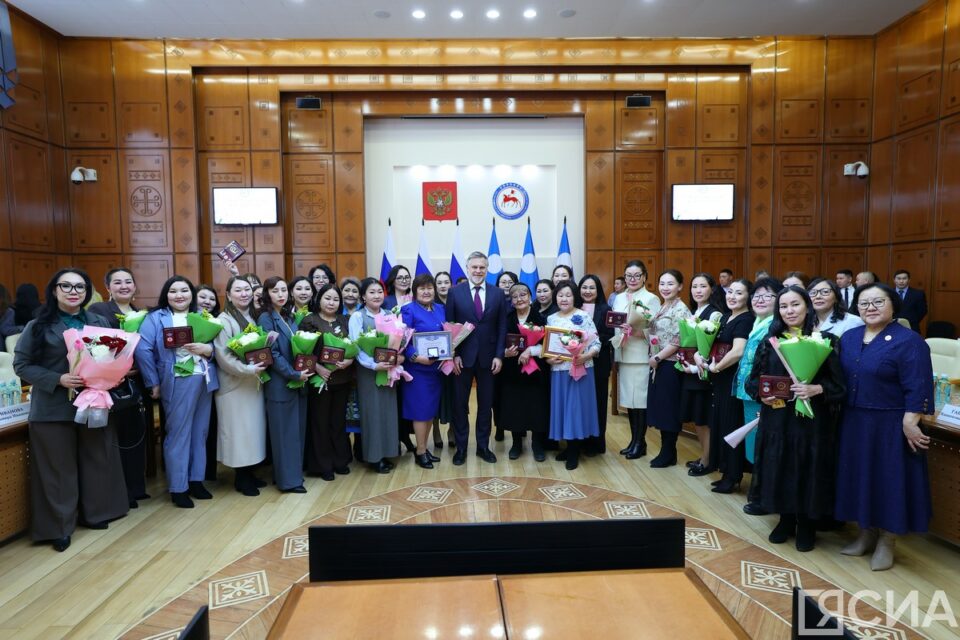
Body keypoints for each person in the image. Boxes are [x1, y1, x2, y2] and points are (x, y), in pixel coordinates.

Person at [13, 269, 128, 551]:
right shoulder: (37, 325)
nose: (73, 291)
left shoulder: (99, 322)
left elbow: (111, 359)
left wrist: (112, 374)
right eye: (66, 286)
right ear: (54, 291)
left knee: (96, 459)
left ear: (87, 292)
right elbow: (22, 365)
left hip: (93, 403)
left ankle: (96, 513)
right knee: (57, 470)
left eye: (79, 287)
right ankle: (59, 527)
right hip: (53, 407)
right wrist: (57, 379)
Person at [835, 284, 934, 571]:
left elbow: (919, 384)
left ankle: (888, 541)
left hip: (890, 424)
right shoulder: (850, 337)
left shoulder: (909, 341)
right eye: (864, 303)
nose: (870, 307)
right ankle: (865, 533)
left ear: (892, 306)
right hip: (854, 421)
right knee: (860, 478)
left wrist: (911, 421)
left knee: (889, 481)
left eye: (878, 301)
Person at [746, 285, 846, 552]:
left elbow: (840, 387)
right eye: (783, 306)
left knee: (808, 468)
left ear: (807, 307)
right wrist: (762, 394)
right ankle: (786, 519)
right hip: (778, 418)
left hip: (812, 423)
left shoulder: (826, 340)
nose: (789, 311)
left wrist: (817, 389)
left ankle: (807, 524)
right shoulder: (770, 343)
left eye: (795, 304)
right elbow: (752, 381)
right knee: (780, 466)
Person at [136, 275, 220, 509]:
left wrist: (208, 349)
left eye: (184, 290)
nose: (179, 295)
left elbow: (219, 347)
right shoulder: (156, 318)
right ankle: (178, 487)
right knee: (178, 434)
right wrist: (153, 382)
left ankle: (196, 481)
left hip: (204, 379)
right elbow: (143, 350)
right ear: (166, 295)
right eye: (173, 291)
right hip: (177, 380)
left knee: (200, 432)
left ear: (192, 294)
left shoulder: (202, 316)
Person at [87, 268, 152, 508]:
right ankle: (122, 492)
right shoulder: (99, 311)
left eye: (128, 282)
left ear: (134, 286)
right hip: (111, 384)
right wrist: (118, 369)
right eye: (117, 282)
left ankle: (137, 487)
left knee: (137, 434)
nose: (124, 286)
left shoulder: (141, 313)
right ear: (108, 288)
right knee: (118, 437)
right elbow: (95, 345)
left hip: (138, 382)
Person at [445, 251, 508, 465]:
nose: (478, 271)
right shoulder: (455, 293)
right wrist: (453, 355)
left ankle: (483, 447)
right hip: (462, 359)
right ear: (467, 268)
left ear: (487, 268)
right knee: (459, 404)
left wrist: (499, 355)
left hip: (489, 359)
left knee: (485, 405)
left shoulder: (498, 293)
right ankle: (461, 448)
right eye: (474, 267)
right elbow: (449, 326)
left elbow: (502, 326)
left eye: (482, 267)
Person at [213, 276, 269, 496]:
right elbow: (223, 356)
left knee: (252, 431)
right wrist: (247, 369)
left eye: (247, 289)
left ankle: (250, 472)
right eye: (238, 290)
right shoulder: (223, 320)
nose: (244, 294)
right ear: (228, 295)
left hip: (253, 383)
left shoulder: (254, 316)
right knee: (237, 432)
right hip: (234, 385)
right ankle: (241, 477)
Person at [734, 276, 783, 517]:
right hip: (750, 391)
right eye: (757, 295)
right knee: (754, 444)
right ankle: (759, 491)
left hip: (764, 395)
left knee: (763, 445)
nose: (760, 300)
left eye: (767, 296)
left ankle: (764, 496)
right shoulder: (758, 322)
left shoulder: (775, 326)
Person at [258, 277, 311, 492]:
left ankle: (291, 475)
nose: (280, 295)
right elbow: (272, 353)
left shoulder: (289, 316)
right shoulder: (265, 318)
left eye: (283, 290)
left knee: (296, 432)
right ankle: (288, 482)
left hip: (299, 381)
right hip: (281, 383)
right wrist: (293, 373)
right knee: (284, 434)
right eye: (275, 291)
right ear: (267, 294)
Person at [700, 279, 753, 493]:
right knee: (721, 425)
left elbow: (738, 351)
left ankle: (733, 476)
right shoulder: (725, 317)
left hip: (732, 380)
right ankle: (726, 471)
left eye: (738, 293)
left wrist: (717, 367)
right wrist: (701, 357)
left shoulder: (746, 320)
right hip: (719, 380)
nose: (732, 296)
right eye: (730, 292)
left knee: (732, 426)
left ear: (748, 297)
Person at [300, 283, 355, 481]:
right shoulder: (310, 321)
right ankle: (323, 465)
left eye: (335, 299)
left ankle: (340, 461)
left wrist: (349, 361)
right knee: (320, 423)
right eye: (327, 298)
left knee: (338, 422)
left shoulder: (345, 320)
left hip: (342, 379)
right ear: (319, 299)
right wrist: (317, 368)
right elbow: (301, 351)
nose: (331, 303)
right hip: (320, 380)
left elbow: (354, 346)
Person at [545, 280, 601, 470]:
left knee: (575, 409)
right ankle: (568, 447)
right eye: (560, 295)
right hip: (559, 371)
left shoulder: (583, 316)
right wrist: (549, 359)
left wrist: (585, 356)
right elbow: (548, 347)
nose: (564, 299)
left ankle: (574, 451)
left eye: (568, 295)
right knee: (563, 409)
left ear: (574, 297)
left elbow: (596, 343)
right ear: (555, 297)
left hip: (580, 370)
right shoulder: (551, 319)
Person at [348, 277, 400, 473]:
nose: (377, 295)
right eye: (372, 292)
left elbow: (398, 340)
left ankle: (388, 452)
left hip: (388, 369)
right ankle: (374, 457)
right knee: (372, 413)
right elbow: (356, 347)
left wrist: (394, 358)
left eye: (379, 292)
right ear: (363, 296)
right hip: (368, 372)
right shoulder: (358, 317)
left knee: (388, 411)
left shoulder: (390, 315)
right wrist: (373, 364)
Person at [612, 260, 661, 459]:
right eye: (628, 275)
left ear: (644, 277)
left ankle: (640, 443)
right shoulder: (618, 298)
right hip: (623, 353)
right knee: (629, 402)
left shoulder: (651, 299)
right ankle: (634, 441)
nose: (632, 279)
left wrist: (636, 332)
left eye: (637, 275)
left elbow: (657, 330)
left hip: (641, 356)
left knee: (640, 401)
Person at [498, 283, 550, 460]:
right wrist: (504, 353)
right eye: (515, 296)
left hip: (536, 371)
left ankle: (537, 444)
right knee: (515, 406)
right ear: (511, 301)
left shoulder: (541, 318)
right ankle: (516, 444)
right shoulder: (506, 318)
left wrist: (531, 351)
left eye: (523, 295)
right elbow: (498, 341)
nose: (519, 299)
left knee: (537, 406)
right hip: (512, 371)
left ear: (530, 297)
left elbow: (547, 345)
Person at [645, 269, 691, 468]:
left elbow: (678, 340)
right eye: (662, 283)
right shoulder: (663, 306)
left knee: (669, 409)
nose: (665, 287)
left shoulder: (681, 309)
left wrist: (657, 357)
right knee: (662, 408)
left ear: (680, 286)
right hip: (659, 363)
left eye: (670, 283)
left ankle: (668, 451)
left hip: (670, 364)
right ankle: (668, 451)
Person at [401, 274, 447, 469]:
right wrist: (417, 357)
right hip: (417, 370)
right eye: (422, 288)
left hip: (436, 370)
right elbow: (402, 341)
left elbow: (446, 334)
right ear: (415, 291)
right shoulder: (408, 310)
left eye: (429, 288)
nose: (426, 291)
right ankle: (420, 452)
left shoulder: (440, 309)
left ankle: (424, 448)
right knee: (420, 411)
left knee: (429, 412)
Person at [680, 273, 722, 475]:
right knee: (697, 418)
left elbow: (714, 348)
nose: (698, 290)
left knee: (704, 419)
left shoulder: (715, 314)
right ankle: (705, 455)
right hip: (691, 372)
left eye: (703, 286)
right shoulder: (694, 312)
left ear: (712, 289)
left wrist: (697, 367)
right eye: (694, 286)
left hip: (704, 374)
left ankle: (707, 460)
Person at [579, 274, 614, 455]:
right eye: (584, 287)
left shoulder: (606, 309)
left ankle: (597, 443)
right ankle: (580, 441)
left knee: (598, 403)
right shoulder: (574, 308)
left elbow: (610, 336)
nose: (588, 291)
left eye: (592, 287)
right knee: (581, 404)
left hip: (599, 363)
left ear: (598, 290)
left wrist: (591, 342)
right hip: (577, 363)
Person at [196, 284, 221, 482]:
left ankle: (209, 471)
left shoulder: (217, 322)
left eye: (212, 299)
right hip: (189, 377)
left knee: (211, 426)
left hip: (213, 380)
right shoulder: (187, 320)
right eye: (203, 297)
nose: (207, 302)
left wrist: (210, 350)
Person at [432, 271, 455, 448]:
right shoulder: (431, 305)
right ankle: (435, 430)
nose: (443, 285)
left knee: (455, 395)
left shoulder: (457, 301)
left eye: (446, 282)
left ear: (451, 284)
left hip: (454, 357)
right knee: (436, 395)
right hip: (435, 358)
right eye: (439, 282)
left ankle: (452, 430)